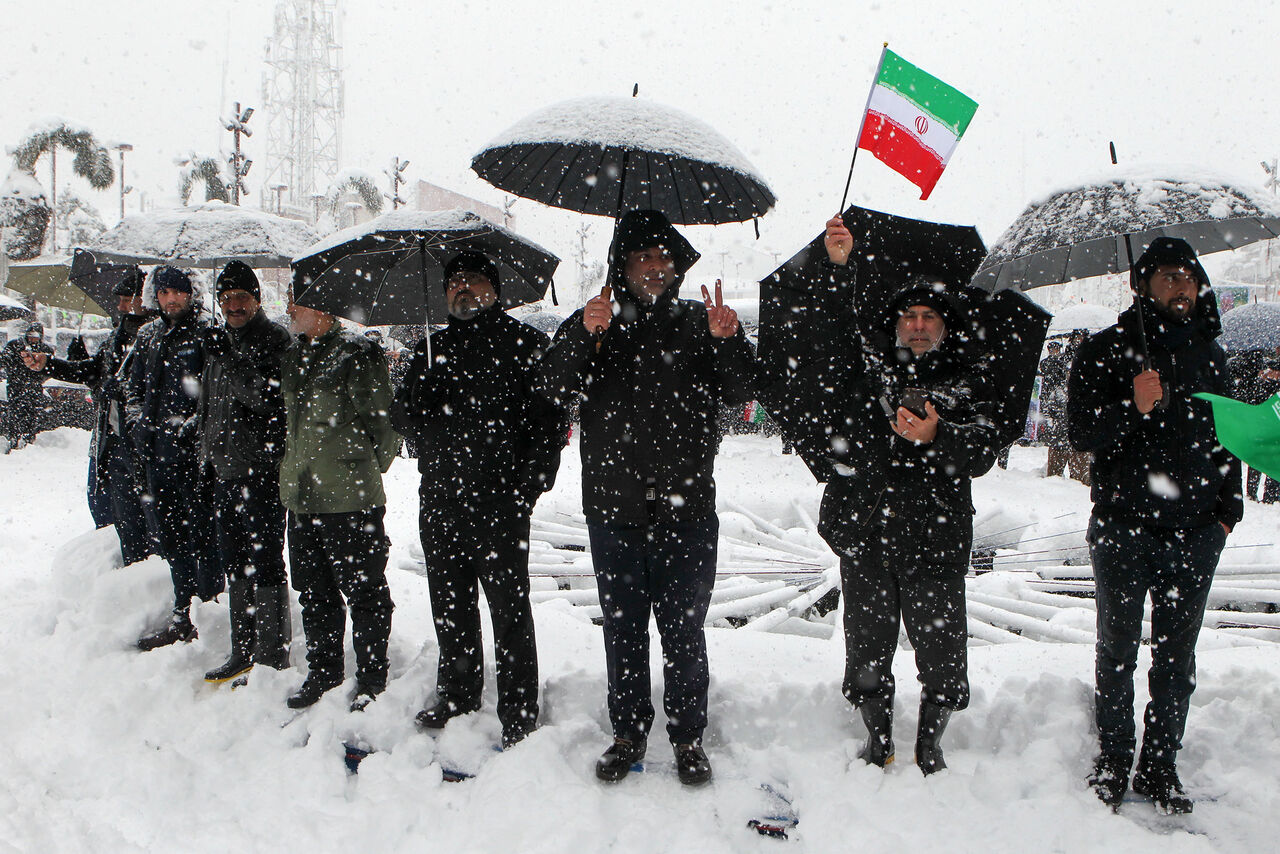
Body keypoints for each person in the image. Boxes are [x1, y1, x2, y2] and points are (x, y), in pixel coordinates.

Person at [538, 209, 757, 785]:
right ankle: (628, 731)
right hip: (615, 510)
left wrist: (727, 342)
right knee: (624, 628)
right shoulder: (597, 320)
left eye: (664, 258)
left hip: (687, 510)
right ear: (623, 266)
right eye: (642, 258)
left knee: (683, 629)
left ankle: (688, 737)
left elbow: (743, 391)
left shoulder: (697, 322)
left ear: (677, 266)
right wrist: (585, 333)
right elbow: (553, 387)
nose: (655, 268)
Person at [816, 215, 1000, 775]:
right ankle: (878, 735)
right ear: (896, 325)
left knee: (942, 654)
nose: (918, 326)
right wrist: (841, 268)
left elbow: (984, 450)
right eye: (910, 317)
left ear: (943, 327)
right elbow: (836, 328)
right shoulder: (869, 368)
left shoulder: (970, 379)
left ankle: (931, 738)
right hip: (869, 527)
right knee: (866, 648)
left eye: (928, 318)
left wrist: (937, 435)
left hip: (936, 536)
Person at [1069, 237, 1242, 814]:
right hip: (1124, 527)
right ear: (1141, 286)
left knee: (1177, 657)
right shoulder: (1104, 350)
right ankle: (1116, 759)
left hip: (1194, 533)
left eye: (1188, 277)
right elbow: (1081, 434)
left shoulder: (1211, 354)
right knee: (1116, 650)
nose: (1181, 287)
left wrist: (1226, 511)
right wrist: (1133, 408)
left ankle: (1160, 767)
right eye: (1167, 277)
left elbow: (1228, 439)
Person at [392, 251, 567, 749]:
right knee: (450, 604)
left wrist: (527, 489)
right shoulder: (429, 350)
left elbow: (549, 425)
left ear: (495, 289)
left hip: (500, 504)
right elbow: (402, 420)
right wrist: (415, 396)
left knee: (509, 609)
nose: (461, 289)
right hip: (442, 498)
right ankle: (458, 691)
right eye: (452, 282)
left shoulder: (525, 346)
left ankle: (518, 707)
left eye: (472, 281)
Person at [280, 298, 400, 712]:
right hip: (302, 497)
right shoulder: (292, 355)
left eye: (300, 302)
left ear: (324, 309)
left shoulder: (356, 354)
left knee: (364, 591)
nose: (291, 308)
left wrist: (366, 468)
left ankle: (371, 678)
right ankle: (324, 672)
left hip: (349, 498)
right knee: (314, 591)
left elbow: (383, 421)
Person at [197, 261, 294, 683]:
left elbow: (268, 400)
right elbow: (211, 404)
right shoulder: (221, 340)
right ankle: (243, 649)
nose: (234, 305)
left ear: (257, 299)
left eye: (242, 297)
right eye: (227, 298)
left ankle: (272, 655)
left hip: (262, 470)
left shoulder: (274, 340)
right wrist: (203, 447)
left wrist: (231, 360)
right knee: (234, 561)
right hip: (224, 468)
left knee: (266, 560)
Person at [22, 269, 153, 565]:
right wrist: (50, 365)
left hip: (143, 446)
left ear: (145, 300)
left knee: (149, 526)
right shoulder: (117, 337)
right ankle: (128, 576)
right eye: (119, 300)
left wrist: (121, 388)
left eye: (126, 299)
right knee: (119, 520)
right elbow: (91, 371)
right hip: (112, 442)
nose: (120, 306)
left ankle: (150, 586)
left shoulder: (155, 337)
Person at [125, 266, 223, 650]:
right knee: (172, 542)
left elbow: (215, 393)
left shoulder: (205, 332)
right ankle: (183, 614)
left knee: (205, 540)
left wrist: (193, 426)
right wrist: (139, 426)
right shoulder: (148, 335)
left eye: (177, 292)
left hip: (196, 462)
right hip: (155, 459)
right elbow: (133, 391)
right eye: (164, 292)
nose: (171, 300)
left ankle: (210, 616)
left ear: (190, 293)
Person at [2, 321, 54, 450]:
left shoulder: (45, 350)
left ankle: (29, 439)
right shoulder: (15, 346)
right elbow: (4, 360)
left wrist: (39, 377)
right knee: (15, 413)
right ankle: (14, 439)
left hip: (34, 387)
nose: (33, 339)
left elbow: (50, 368)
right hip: (16, 386)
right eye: (31, 336)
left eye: (36, 336)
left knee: (32, 413)